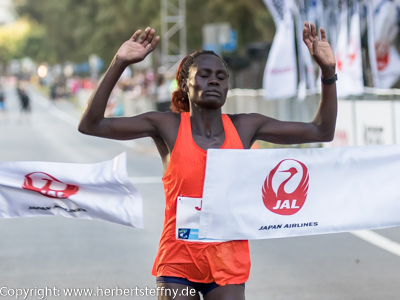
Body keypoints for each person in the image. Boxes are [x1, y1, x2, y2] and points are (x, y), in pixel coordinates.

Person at [78, 22, 337, 300]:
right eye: (204, 74)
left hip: (228, 261)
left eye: (221, 76)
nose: (214, 80)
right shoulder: (167, 126)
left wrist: (328, 72)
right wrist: (119, 63)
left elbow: (321, 131)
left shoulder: (245, 127)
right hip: (178, 262)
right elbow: (91, 125)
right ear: (185, 85)